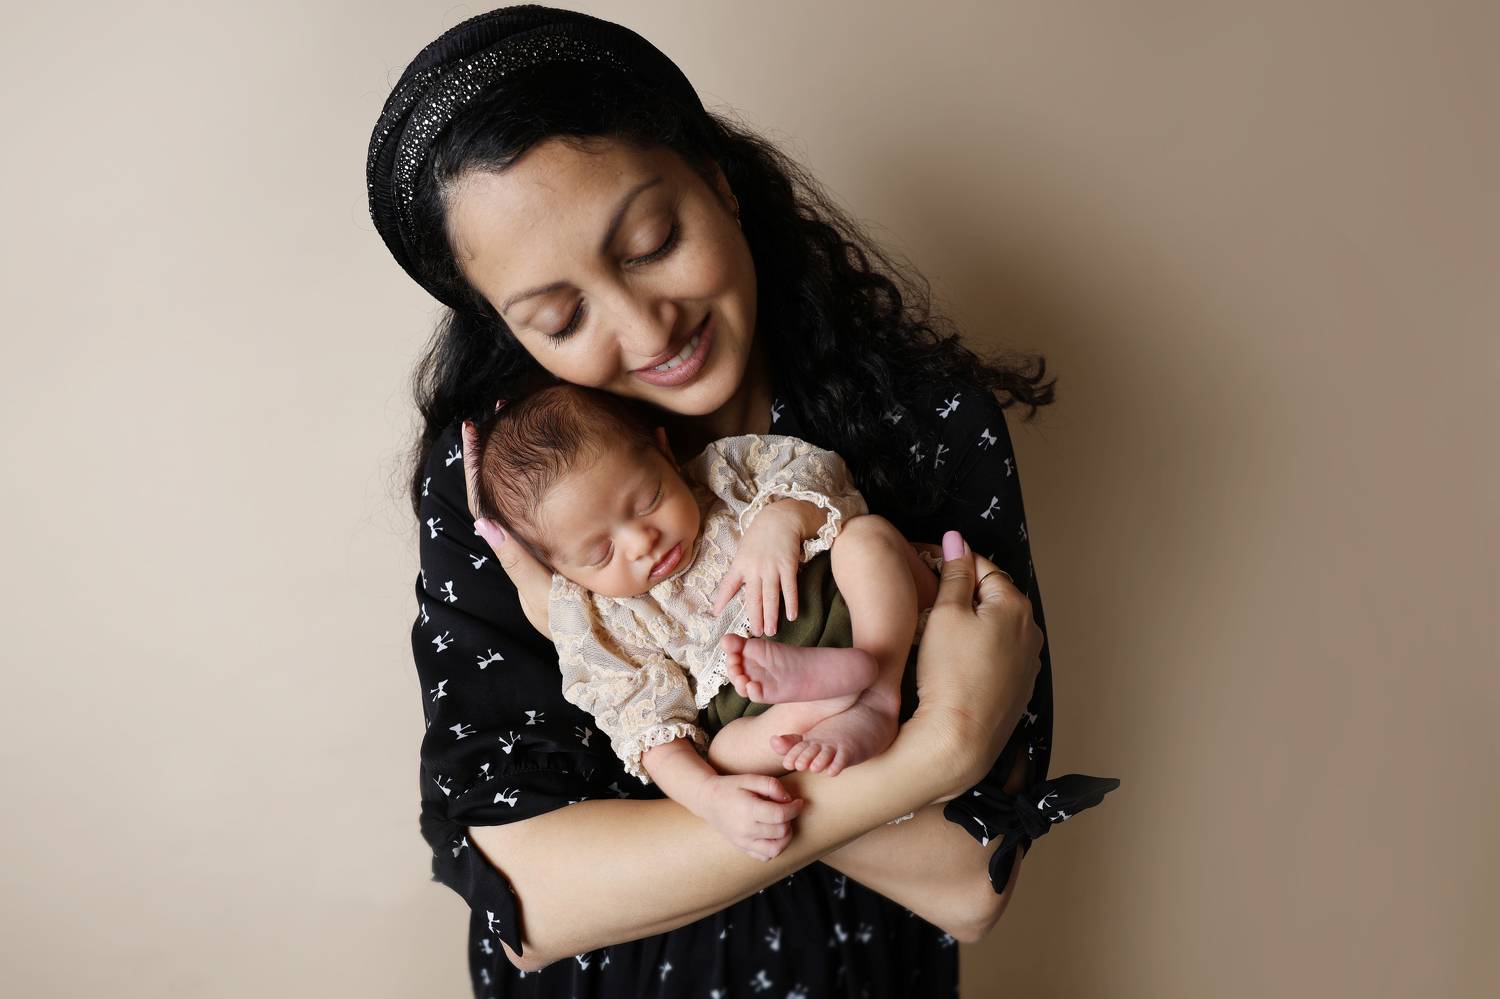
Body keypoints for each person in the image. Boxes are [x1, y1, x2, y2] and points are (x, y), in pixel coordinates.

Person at [365, 5, 1120, 994]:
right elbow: (532, 902)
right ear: (508, 329)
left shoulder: (922, 419)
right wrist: (934, 753)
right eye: (560, 315)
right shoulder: (511, 497)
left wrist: (701, 781)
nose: (646, 329)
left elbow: (968, 882)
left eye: (652, 240)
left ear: (718, 181)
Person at [467, 382, 946, 859]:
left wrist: (783, 519)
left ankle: (874, 695)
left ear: (665, 453)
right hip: (766, 705)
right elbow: (651, 734)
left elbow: (822, 476)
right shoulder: (601, 622)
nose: (642, 541)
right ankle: (822, 696)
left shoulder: (722, 476)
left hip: (858, 614)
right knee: (723, 754)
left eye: (648, 500)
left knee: (866, 539)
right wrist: (709, 798)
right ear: (563, 574)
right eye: (601, 553)